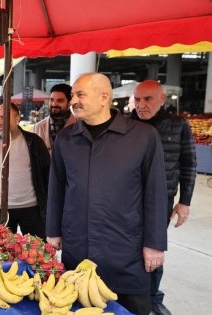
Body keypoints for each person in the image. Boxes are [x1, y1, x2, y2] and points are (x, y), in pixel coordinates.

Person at [46, 73, 168, 315]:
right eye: (72, 95)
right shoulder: (66, 139)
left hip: (126, 249)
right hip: (78, 245)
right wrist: (52, 231)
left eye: (80, 95)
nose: (73, 101)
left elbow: (155, 192)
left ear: (104, 97)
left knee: (131, 309)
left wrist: (154, 244)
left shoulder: (142, 136)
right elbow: (57, 187)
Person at [131, 80, 197, 315]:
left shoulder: (178, 125)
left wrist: (185, 202)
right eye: (137, 99)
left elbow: (188, 164)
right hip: (127, 200)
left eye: (147, 99)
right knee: (128, 248)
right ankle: (130, 294)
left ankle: (152, 297)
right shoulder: (126, 125)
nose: (141, 105)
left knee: (154, 248)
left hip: (162, 201)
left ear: (162, 100)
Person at [0, 104, 50, 237]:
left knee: (37, 250)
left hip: (32, 208)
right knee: (3, 251)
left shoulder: (34, 142)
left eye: (4, 118)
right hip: (0, 209)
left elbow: (47, 174)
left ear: (17, 119)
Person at [33, 84, 77, 155]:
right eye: (52, 100)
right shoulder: (38, 127)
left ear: (69, 103)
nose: (54, 104)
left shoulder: (80, 125)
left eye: (60, 101)